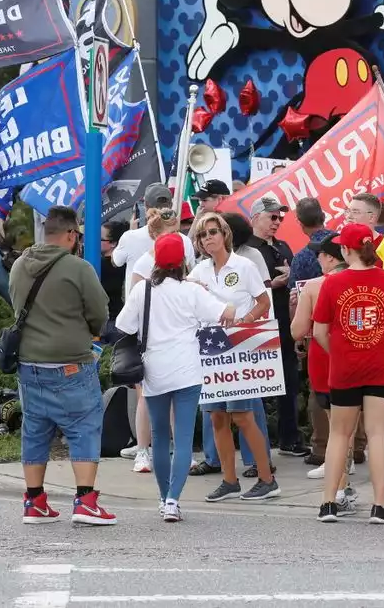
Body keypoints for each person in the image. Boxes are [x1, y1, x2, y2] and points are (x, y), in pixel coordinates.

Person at [119, 233, 236, 523]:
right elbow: (228, 312)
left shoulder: (142, 290)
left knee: (160, 437)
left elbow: (123, 325)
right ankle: (173, 500)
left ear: (155, 260)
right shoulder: (191, 291)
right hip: (187, 371)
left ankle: (162, 498)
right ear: (183, 261)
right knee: (182, 439)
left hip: (154, 371)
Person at [9, 206, 115, 526]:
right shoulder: (78, 268)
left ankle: (35, 501)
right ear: (70, 234)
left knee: (35, 431)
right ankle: (84, 500)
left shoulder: (19, 265)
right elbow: (99, 312)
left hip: (29, 364)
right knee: (84, 427)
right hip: (71, 364)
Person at [313, 223, 384, 524]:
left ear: (345, 249)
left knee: (339, 435)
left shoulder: (331, 283)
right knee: (378, 433)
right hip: (382, 366)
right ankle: (380, 505)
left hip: (345, 368)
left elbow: (319, 332)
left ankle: (328, 503)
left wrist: (339, 352)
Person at [185, 213, 280, 502]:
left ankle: (267, 478)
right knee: (216, 418)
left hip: (240, 348)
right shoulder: (198, 271)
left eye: (212, 232)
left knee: (242, 416)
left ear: (224, 234)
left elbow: (264, 300)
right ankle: (229, 480)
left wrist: (245, 320)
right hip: (210, 348)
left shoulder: (244, 265)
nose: (207, 238)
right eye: (202, 235)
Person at [291, 234, 365, 492]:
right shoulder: (366, 280)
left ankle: (339, 472)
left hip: (326, 357)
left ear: (332, 257)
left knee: (334, 419)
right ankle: (346, 461)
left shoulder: (314, 286)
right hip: (360, 353)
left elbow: (297, 331)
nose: (317, 258)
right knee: (351, 417)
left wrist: (298, 306)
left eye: (320, 254)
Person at [247, 195, 308, 457]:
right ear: (256, 217)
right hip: (259, 324)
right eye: (272, 217)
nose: (277, 222)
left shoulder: (283, 246)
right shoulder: (247, 248)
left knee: (288, 382)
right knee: (257, 386)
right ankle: (256, 444)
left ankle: (289, 438)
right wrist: (274, 283)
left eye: (280, 217)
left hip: (284, 321)